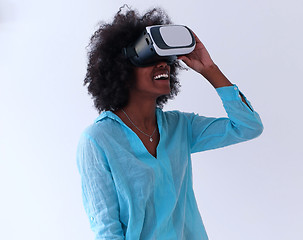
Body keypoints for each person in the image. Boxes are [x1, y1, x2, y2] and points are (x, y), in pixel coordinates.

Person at [77, 6, 263, 240]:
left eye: (166, 59)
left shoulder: (180, 127)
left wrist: (210, 70)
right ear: (121, 70)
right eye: (150, 58)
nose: (163, 64)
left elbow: (248, 127)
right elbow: (107, 230)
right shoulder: (98, 140)